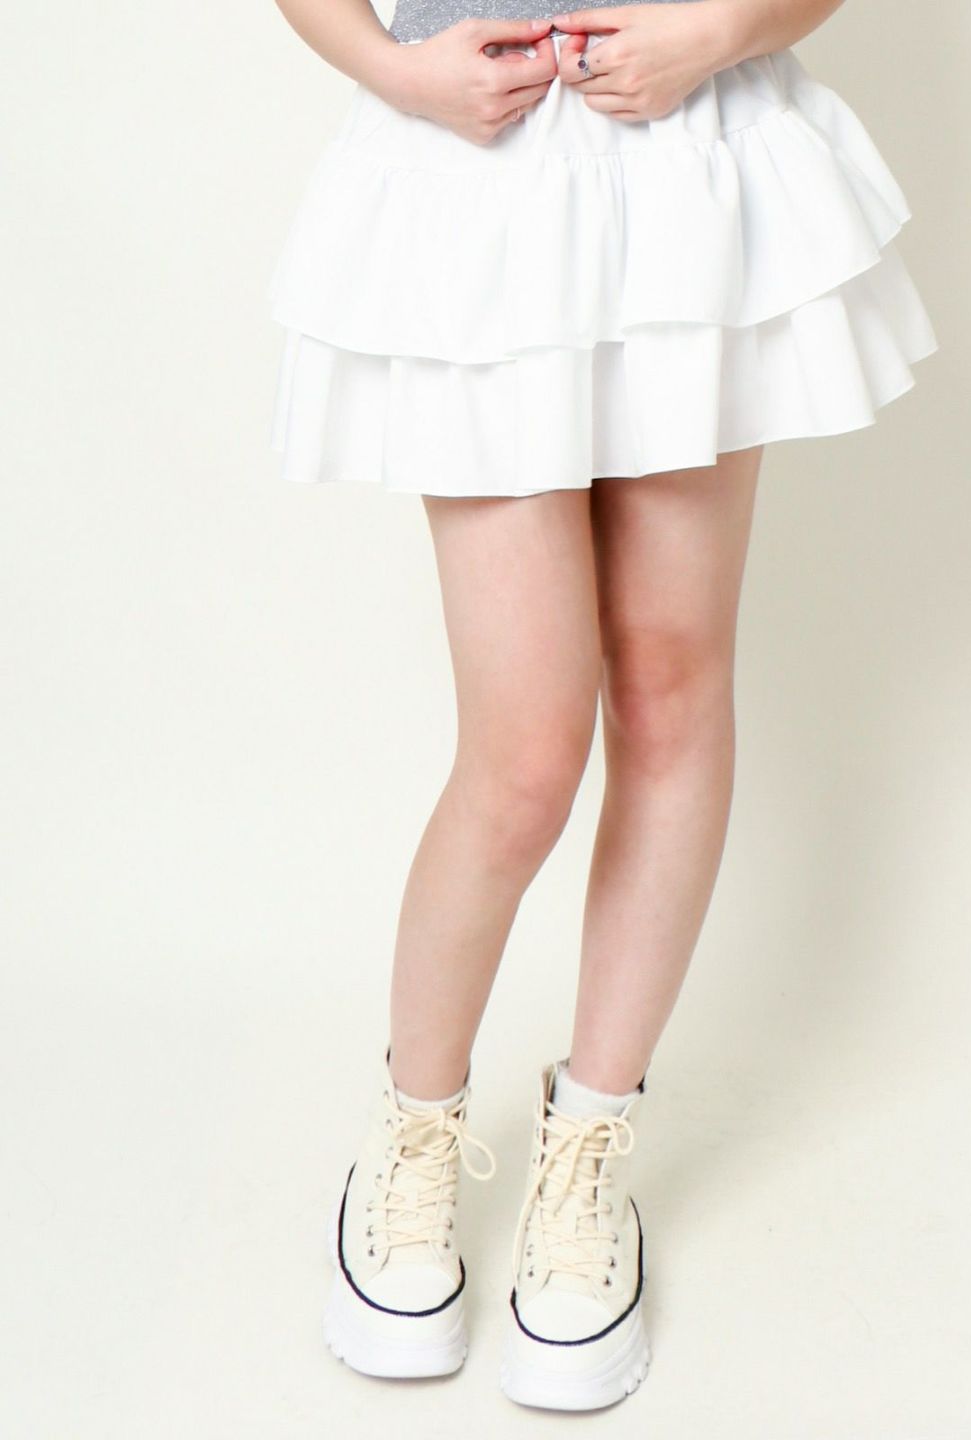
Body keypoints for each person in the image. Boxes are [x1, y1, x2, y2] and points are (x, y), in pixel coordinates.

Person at [268, 0, 936, 1411]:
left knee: (670, 688)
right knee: (524, 755)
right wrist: (391, 69)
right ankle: (413, 1137)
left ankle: (589, 1152)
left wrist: (717, 34)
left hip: (690, 156)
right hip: (476, 170)